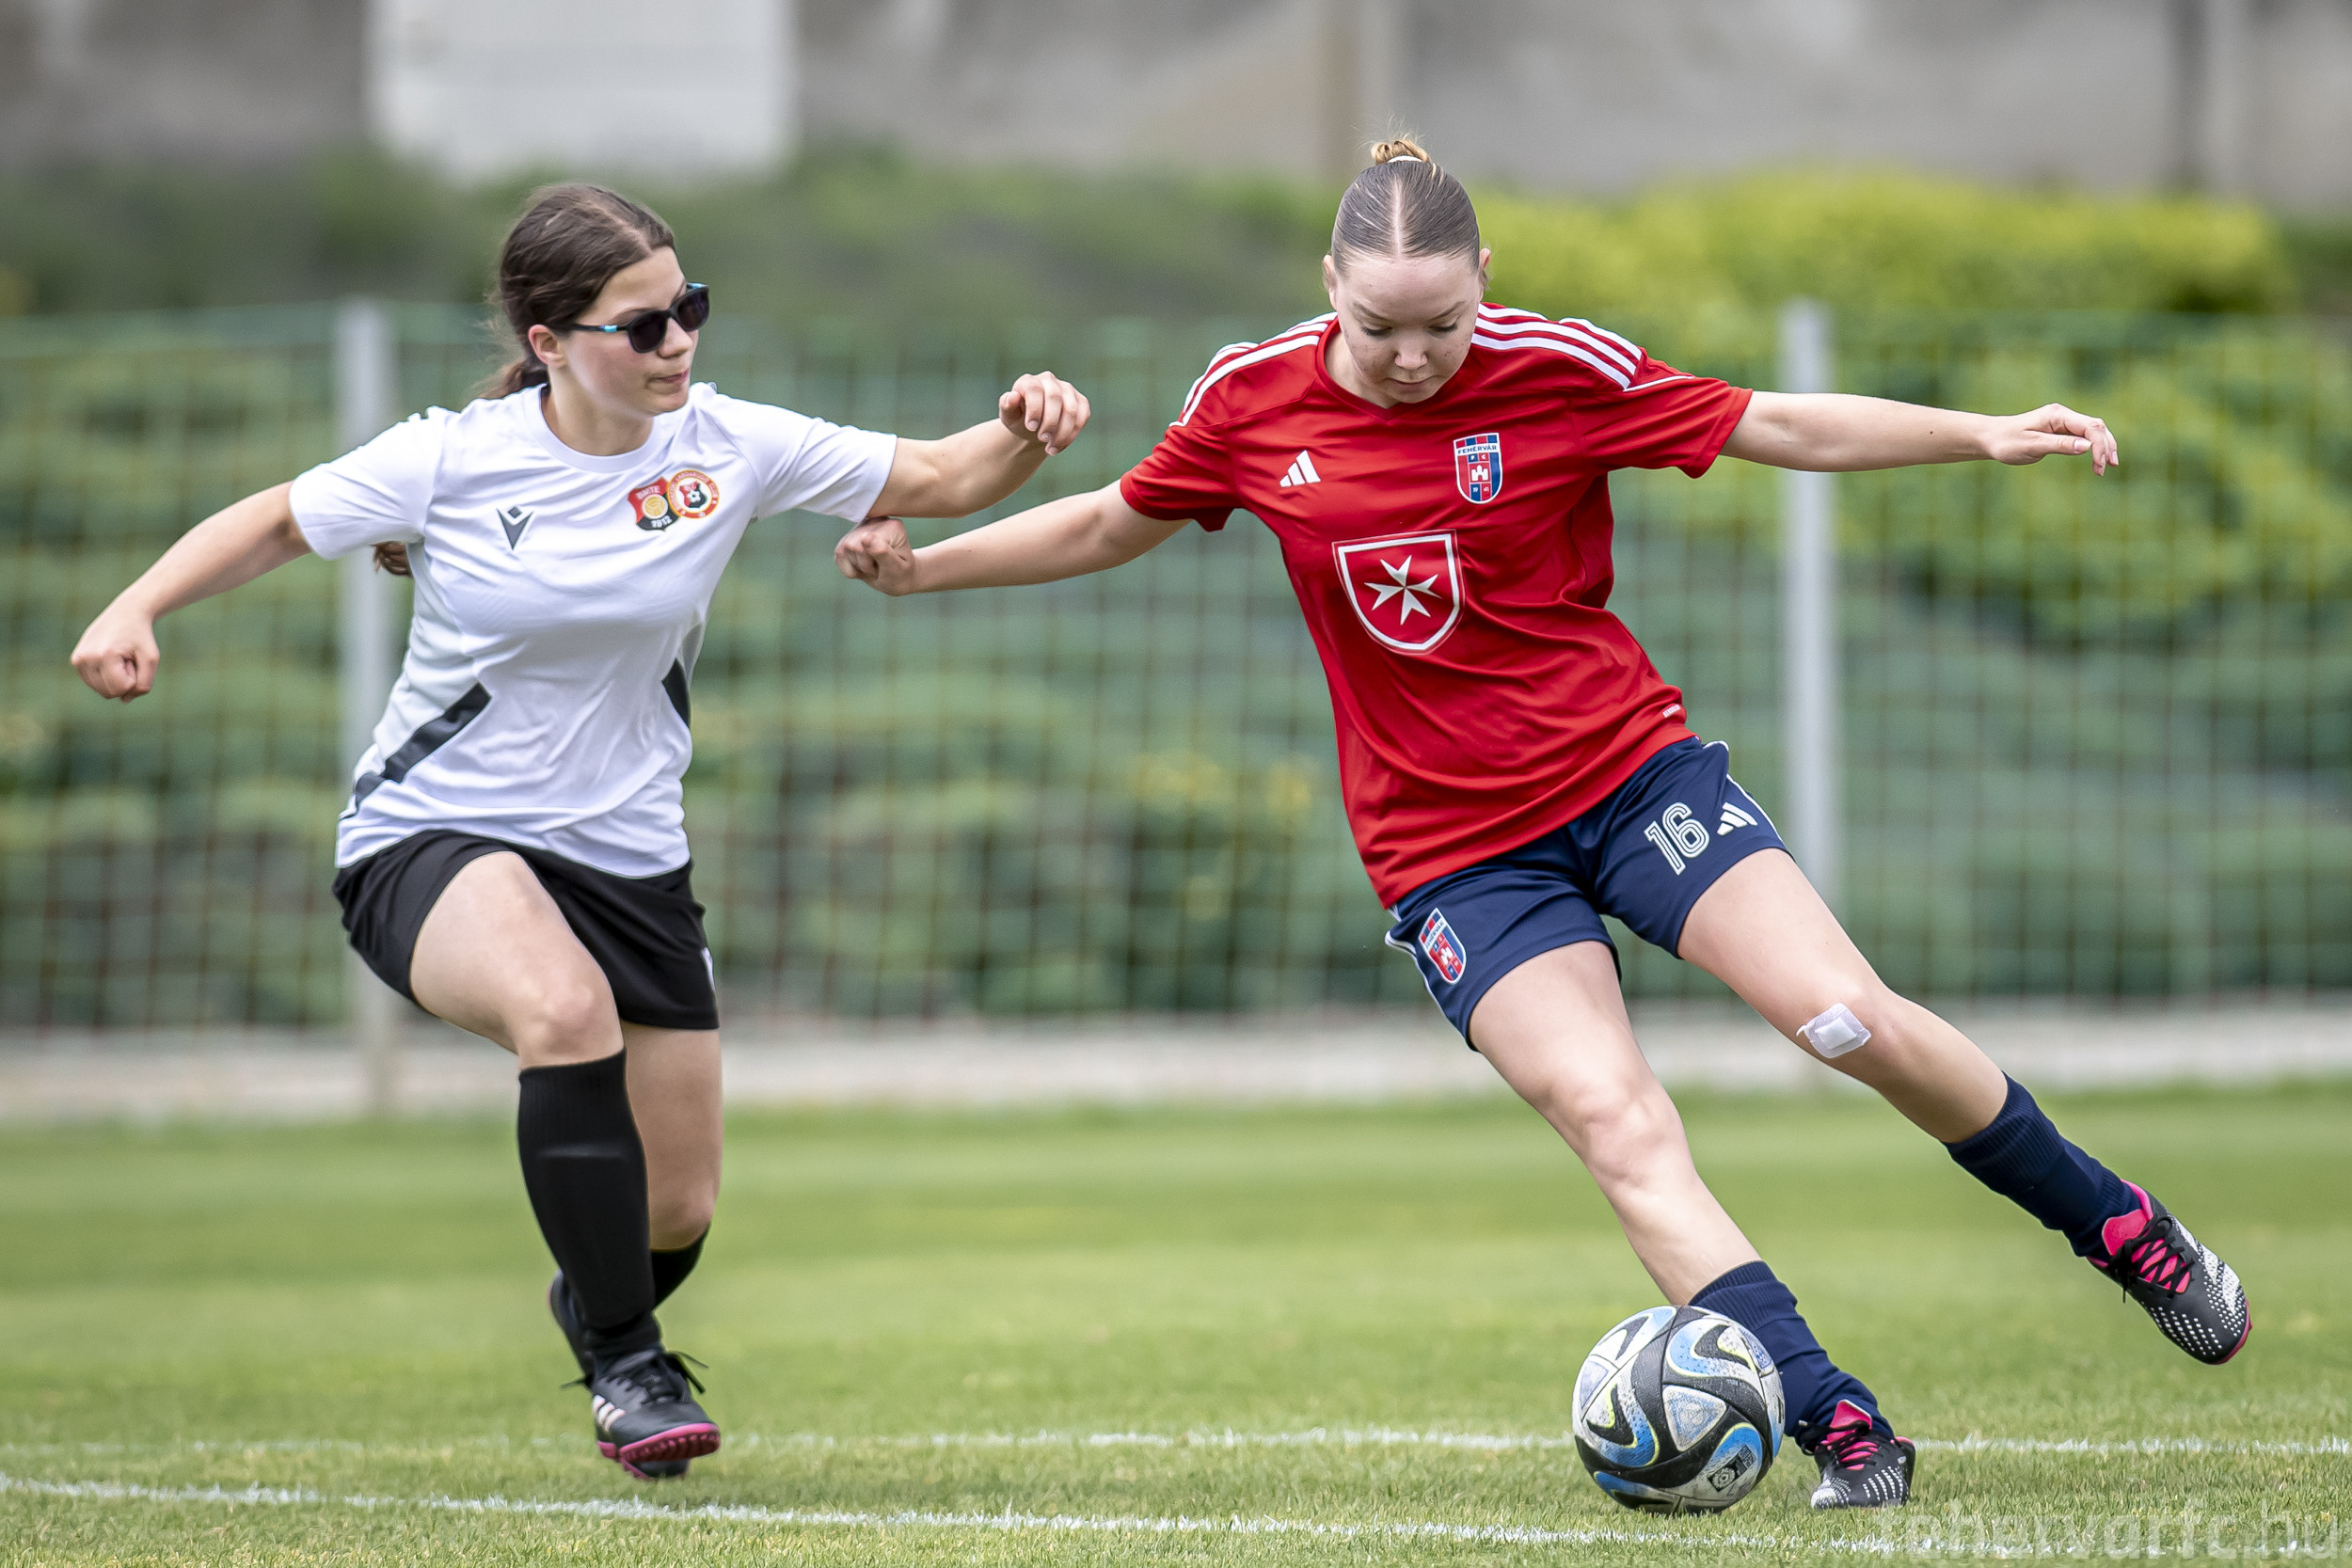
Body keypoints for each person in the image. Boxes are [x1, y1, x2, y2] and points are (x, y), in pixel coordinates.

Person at [834, 139, 2250, 1511]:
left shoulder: (1561, 368)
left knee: (1845, 1019)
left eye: (1442, 325)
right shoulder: (1250, 400)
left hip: (1632, 780)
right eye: (1381, 328)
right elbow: (1108, 523)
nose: (1413, 356)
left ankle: (2124, 1231)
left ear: (1485, 284)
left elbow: (1776, 422)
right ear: (1329, 287)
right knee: (1615, 1120)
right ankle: (1836, 1422)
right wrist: (925, 572)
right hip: (1452, 855)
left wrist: (1978, 433)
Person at [71, 182, 1092, 1481]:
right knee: (564, 1011)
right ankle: (627, 1365)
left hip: (631, 857)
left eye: (689, 309)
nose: (678, 343)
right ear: (549, 343)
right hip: (431, 834)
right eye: (642, 324)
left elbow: (946, 476)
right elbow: (275, 519)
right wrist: (136, 606)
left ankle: (600, 1300)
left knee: (677, 1209)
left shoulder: (728, 443)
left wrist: (1026, 427)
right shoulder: (452, 458)